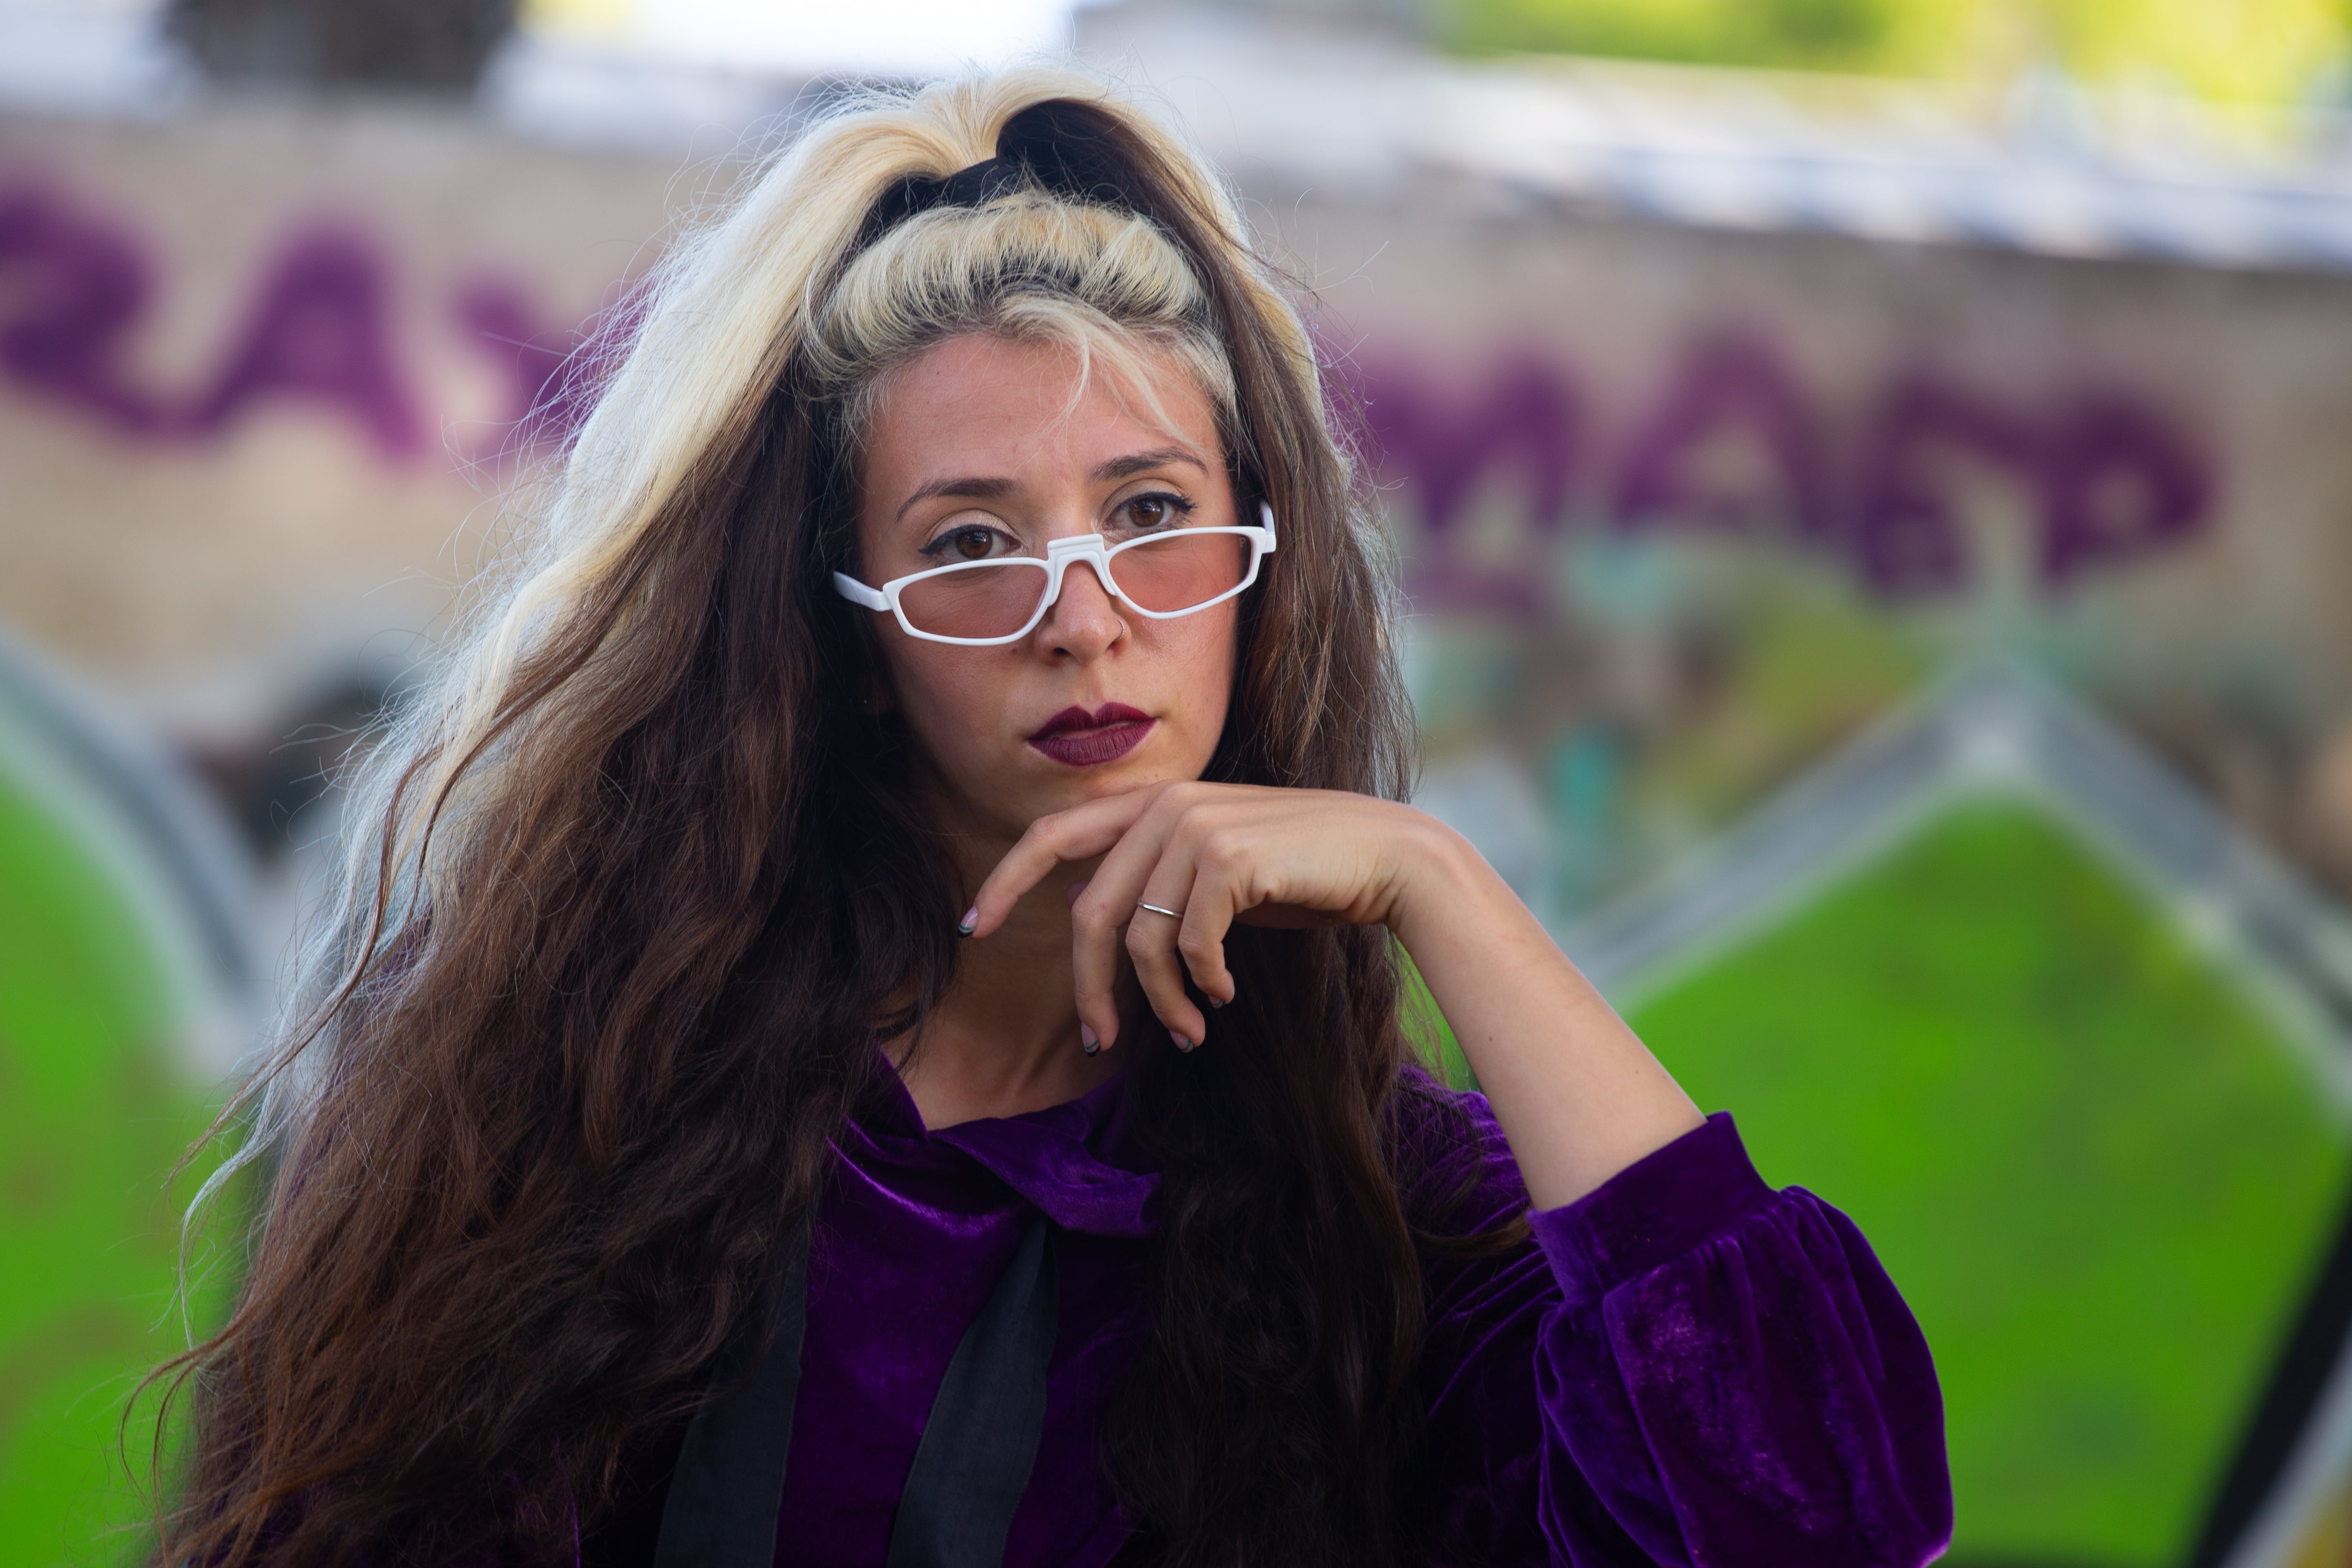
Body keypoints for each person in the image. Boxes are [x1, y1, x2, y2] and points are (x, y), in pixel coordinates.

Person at [152, 72, 1952, 1568]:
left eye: (1152, 513)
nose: (1080, 615)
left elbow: (1818, 1523)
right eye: (966, 545)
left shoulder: (1382, 1209)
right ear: (844, 639)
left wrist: (1440, 881)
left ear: (1263, 567)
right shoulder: (553, 1098)